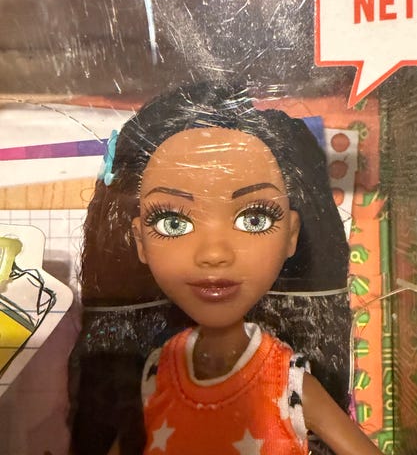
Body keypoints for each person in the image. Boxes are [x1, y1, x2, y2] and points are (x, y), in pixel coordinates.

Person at [70, 83, 381, 454]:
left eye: (254, 219)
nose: (214, 254)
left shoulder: (287, 383)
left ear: (292, 235)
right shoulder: (156, 375)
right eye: (173, 222)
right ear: (139, 239)